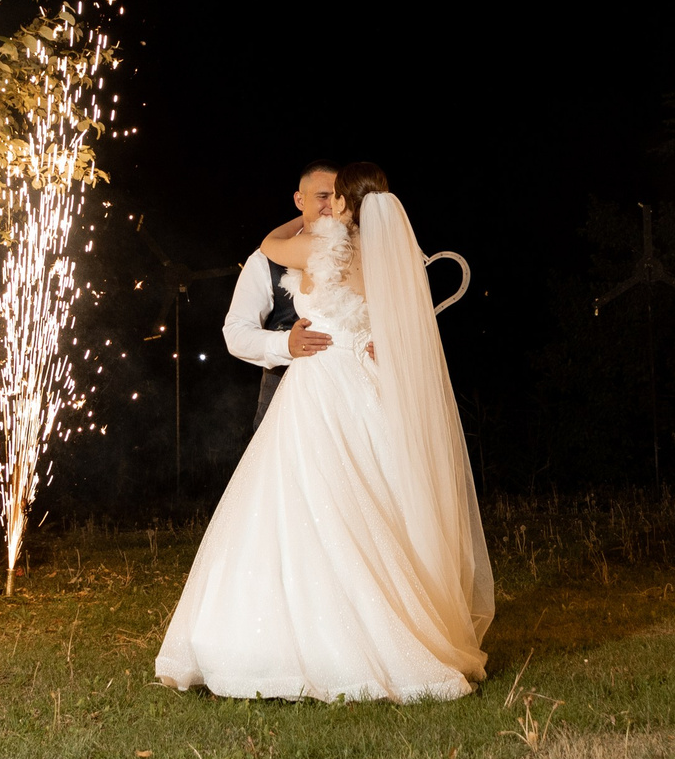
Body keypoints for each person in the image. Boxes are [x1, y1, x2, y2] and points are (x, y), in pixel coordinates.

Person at [156, 162, 495, 702]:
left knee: (318, 502)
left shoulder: (319, 249)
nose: (325, 205)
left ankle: (313, 642)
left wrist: (301, 225)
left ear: (346, 205)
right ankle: (389, 626)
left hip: (319, 388)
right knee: (371, 499)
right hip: (366, 385)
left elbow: (269, 242)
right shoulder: (386, 254)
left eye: (333, 198)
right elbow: (393, 317)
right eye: (318, 196)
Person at [222, 161, 338, 432]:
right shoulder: (265, 260)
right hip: (283, 405)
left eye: (339, 196)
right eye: (323, 196)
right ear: (300, 200)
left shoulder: (356, 253)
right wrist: (286, 344)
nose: (332, 205)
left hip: (347, 401)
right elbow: (235, 333)